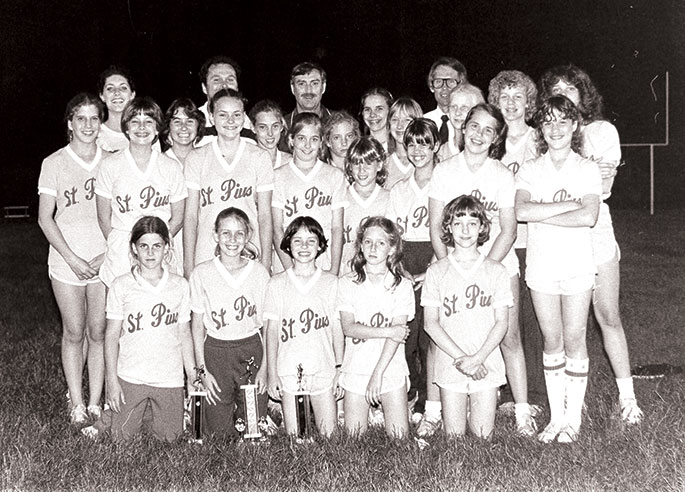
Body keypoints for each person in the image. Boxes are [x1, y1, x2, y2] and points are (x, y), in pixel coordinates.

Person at [540, 64, 643, 424]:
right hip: (557, 239)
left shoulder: (601, 131)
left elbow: (602, 190)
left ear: (583, 94)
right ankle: (570, 401)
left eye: (571, 89)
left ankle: (628, 397)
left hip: (594, 231)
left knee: (607, 314)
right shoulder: (547, 135)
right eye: (556, 89)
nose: (564, 95)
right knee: (569, 325)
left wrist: (550, 208)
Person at [428, 103, 536, 436]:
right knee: (442, 337)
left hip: (497, 265)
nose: (479, 134)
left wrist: (484, 267)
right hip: (451, 263)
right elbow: (435, 226)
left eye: (488, 130)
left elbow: (508, 228)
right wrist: (452, 264)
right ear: (464, 129)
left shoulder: (502, 174)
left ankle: (521, 410)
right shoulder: (444, 170)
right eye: (474, 126)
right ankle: (433, 411)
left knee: (510, 335)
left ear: (496, 138)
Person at [515, 95, 602, 443]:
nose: (555, 129)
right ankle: (556, 418)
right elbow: (521, 212)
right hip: (541, 265)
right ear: (540, 127)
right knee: (551, 340)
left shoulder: (586, 168)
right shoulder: (531, 168)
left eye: (563, 121)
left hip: (577, 264)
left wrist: (545, 209)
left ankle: (574, 420)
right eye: (548, 122)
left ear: (575, 125)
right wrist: (567, 203)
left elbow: (590, 215)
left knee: (574, 338)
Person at [84, 216, 194, 441]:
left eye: (157, 246)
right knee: (122, 438)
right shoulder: (121, 285)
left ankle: (142, 412)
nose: (151, 253)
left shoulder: (180, 285)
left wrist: (192, 376)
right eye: (144, 246)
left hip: (168, 377)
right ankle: (110, 417)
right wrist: (112, 383)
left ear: (167, 247)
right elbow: (111, 336)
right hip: (131, 376)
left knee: (170, 438)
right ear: (134, 248)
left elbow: (184, 333)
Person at [38, 93, 108, 424]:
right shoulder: (53, 163)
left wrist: (104, 255)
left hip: (104, 261)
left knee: (99, 331)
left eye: (94, 118)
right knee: (74, 331)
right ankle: (76, 402)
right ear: (70, 123)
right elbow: (45, 218)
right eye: (80, 118)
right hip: (67, 261)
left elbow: (121, 217)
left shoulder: (111, 161)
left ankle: (96, 401)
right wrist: (73, 258)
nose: (88, 125)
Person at [422, 195, 512, 438]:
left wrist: (478, 358)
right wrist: (464, 359)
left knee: (483, 436)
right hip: (452, 362)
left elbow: (502, 323)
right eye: (458, 223)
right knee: (454, 437)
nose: (465, 230)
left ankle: (481, 404)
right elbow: (431, 324)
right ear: (448, 227)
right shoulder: (437, 271)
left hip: (486, 362)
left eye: (472, 223)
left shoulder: (496, 270)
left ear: (482, 227)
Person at [488, 70, 546, 410]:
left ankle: (536, 393)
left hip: (531, 238)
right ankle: (505, 391)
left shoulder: (538, 139)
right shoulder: (491, 139)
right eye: (504, 97)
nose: (510, 104)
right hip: (498, 239)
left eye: (517, 97)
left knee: (532, 319)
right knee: (503, 319)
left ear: (528, 102)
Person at [190, 208, 270, 437]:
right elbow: (197, 326)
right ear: (215, 235)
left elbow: (267, 326)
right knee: (218, 434)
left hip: (250, 348)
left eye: (239, 234)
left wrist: (264, 369)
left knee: (252, 430)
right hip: (216, 350)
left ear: (248, 236)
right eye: (226, 233)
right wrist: (202, 370)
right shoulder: (202, 273)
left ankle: (253, 418)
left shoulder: (260, 273)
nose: (232, 240)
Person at [265, 217, 344, 437]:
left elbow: (337, 329)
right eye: (298, 241)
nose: (304, 247)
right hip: (289, 371)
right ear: (288, 244)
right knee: (297, 440)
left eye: (311, 241)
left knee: (331, 437)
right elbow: (271, 332)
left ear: (320, 246)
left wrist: (339, 368)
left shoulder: (331, 282)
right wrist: (272, 373)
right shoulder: (277, 283)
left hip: (323, 369)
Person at [95, 97, 186, 288]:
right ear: (126, 128)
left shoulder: (170, 167)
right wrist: (130, 247)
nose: (142, 128)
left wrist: (156, 244)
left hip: (159, 249)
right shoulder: (110, 165)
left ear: (157, 128)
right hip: (122, 251)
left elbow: (178, 218)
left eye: (148, 122)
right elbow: (104, 218)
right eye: (135, 122)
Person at [337, 217, 414, 438]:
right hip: (356, 367)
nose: (373, 248)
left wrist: (377, 375)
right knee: (353, 441)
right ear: (360, 246)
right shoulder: (347, 282)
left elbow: (398, 335)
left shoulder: (402, 285)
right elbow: (349, 328)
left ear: (392, 249)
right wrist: (389, 330)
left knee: (400, 439)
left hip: (390, 367)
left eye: (381, 243)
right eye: (368, 241)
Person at [183, 89, 274, 277]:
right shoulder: (197, 157)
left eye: (236, 115)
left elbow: (265, 215)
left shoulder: (259, 157)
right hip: (207, 251)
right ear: (211, 116)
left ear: (244, 117)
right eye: (223, 115)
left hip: (248, 249)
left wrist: (266, 261)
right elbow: (191, 216)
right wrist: (189, 265)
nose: (230, 121)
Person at [385, 118, 439, 422]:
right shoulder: (399, 189)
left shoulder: (442, 183)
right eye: (412, 143)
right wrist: (401, 270)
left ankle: (430, 402)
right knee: (407, 333)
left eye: (425, 142)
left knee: (428, 338)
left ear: (436, 146)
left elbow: (445, 234)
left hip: (434, 259)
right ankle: (411, 392)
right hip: (406, 263)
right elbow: (394, 236)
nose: (417, 149)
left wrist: (430, 269)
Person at [272, 113, 346, 274]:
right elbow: (276, 228)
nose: (307, 145)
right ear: (291, 140)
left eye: (314, 139)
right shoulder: (277, 176)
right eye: (301, 138)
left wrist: (334, 269)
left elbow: (337, 227)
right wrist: (289, 270)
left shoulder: (334, 175)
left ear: (321, 142)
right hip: (287, 262)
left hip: (323, 263)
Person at [340, 136, 390, 276]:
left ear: (379, 165)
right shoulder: (341, 197)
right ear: (349, 166)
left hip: (381, 274)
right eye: (357, 163)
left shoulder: (390, 197)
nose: (362, 170)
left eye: (368, 163)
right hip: (347, 273)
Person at [196, 55, 253, 142]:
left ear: (237, 87)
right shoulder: (192, 123)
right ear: (204, 88)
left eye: (230, 80)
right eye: (216, 80)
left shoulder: (249, 126)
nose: (224, 85)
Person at [96, 66, 144, 153]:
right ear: (102, 96)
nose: (117, 93)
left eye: (123, 88)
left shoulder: (145, 132)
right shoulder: (94, 134)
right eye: (110, 88)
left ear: (132, 95)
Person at [423, 57, 468, 145]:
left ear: (461, 85)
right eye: (438, 81)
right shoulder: (422, 122)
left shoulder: (469, 123)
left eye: (451, 82)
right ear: (431, 87)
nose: (444, 88)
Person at [385, 97, 424, 189]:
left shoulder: (425, 160)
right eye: (395, 119)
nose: (399, 126)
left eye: (407, 120)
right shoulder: (383, 163)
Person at [438, 83, 484, 161]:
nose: (457, 113)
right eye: (453, 107)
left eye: (464, 108)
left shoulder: (483, 147)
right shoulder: (442, 151)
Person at [284, 62, 332, 130]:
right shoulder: (283, 128)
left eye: (314, 83)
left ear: (323, 87)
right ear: (292, 88)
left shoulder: (339, 125)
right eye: (301, 84)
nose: (308, 90)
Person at [161, 98, 206, 166]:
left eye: (189, 121)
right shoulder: (159, 162)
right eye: (177, 121)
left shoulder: (206, 160)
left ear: (198, 126)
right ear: (168, 126)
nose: (184, 127)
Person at [249, 100, 291, 169]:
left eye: (275, 126)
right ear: (253, 128)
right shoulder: (246, 161)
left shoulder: (290, 162)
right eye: (263, 127)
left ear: (281, 126)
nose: (270, 133)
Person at [360, 88, 393, 152]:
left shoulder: (401, 148)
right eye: (367, 109)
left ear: (390, 111)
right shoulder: (358, 148)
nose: (372, 114)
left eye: (379, 109)